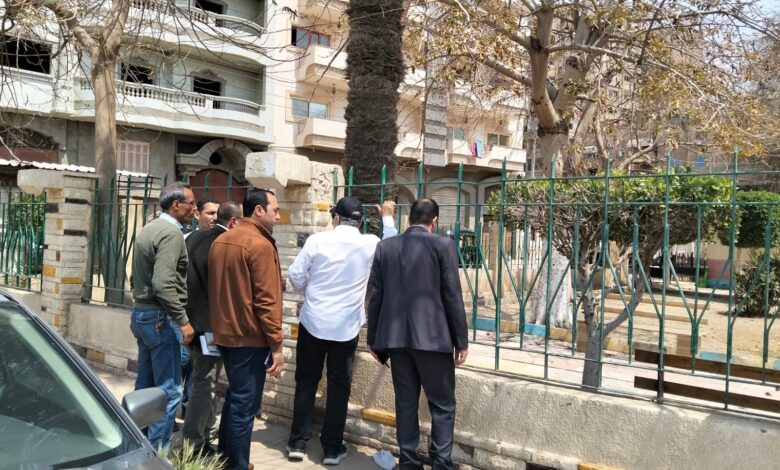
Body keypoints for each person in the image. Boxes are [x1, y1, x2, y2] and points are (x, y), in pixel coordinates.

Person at [285, 197, 397, 465]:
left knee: (306, 381)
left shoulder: (317, 240)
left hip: (313, 322)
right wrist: (387, 216)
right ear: (360, 221)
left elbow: (295, 276)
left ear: (335, 217)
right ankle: (332, 448)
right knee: (339, 387)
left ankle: (297, 443)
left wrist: (309, 293)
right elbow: (392, 247)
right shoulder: (370, 243)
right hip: (346, 327)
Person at [367, 198, 469, 470]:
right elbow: (452, 295)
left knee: (405, 402)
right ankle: (441, 463)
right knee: (442, 404)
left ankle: (409, 462)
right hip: (433, 340)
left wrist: (373, 339)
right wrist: (461, 341)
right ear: (434, 221)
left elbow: (376, 296)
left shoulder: (385, 247)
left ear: (409, 219)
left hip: (396, 340)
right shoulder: (443, 245)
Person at [208, 188, 285, 470]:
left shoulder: (222, 239)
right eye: (275, 210)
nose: (278, 216)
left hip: (226, 333)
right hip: (249, 337)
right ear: (258, 210)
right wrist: (277, 345)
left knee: (235, 399)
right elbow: (266, 301)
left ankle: (227, 459)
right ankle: (236, 465)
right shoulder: (259, 245)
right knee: (245, 406)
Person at [130, 182, 196, 450]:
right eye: (191, 203)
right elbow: (163, 283)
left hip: (143, 313)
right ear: (176, 205)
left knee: (145, 389)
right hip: (161, 318)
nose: (194, 208)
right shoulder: (171, 233)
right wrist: (183, 320)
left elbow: (136, 276)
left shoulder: (150, 228)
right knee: (169, 392)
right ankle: (157, 454)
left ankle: (136, 445)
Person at [181, 201, 243, 456]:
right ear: (234, 221)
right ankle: (194, 444)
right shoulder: (223, 242)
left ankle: (203, 435)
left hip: (192, 321)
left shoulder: (193, 237)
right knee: (204, 383)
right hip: (211, 326)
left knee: (204, 380)